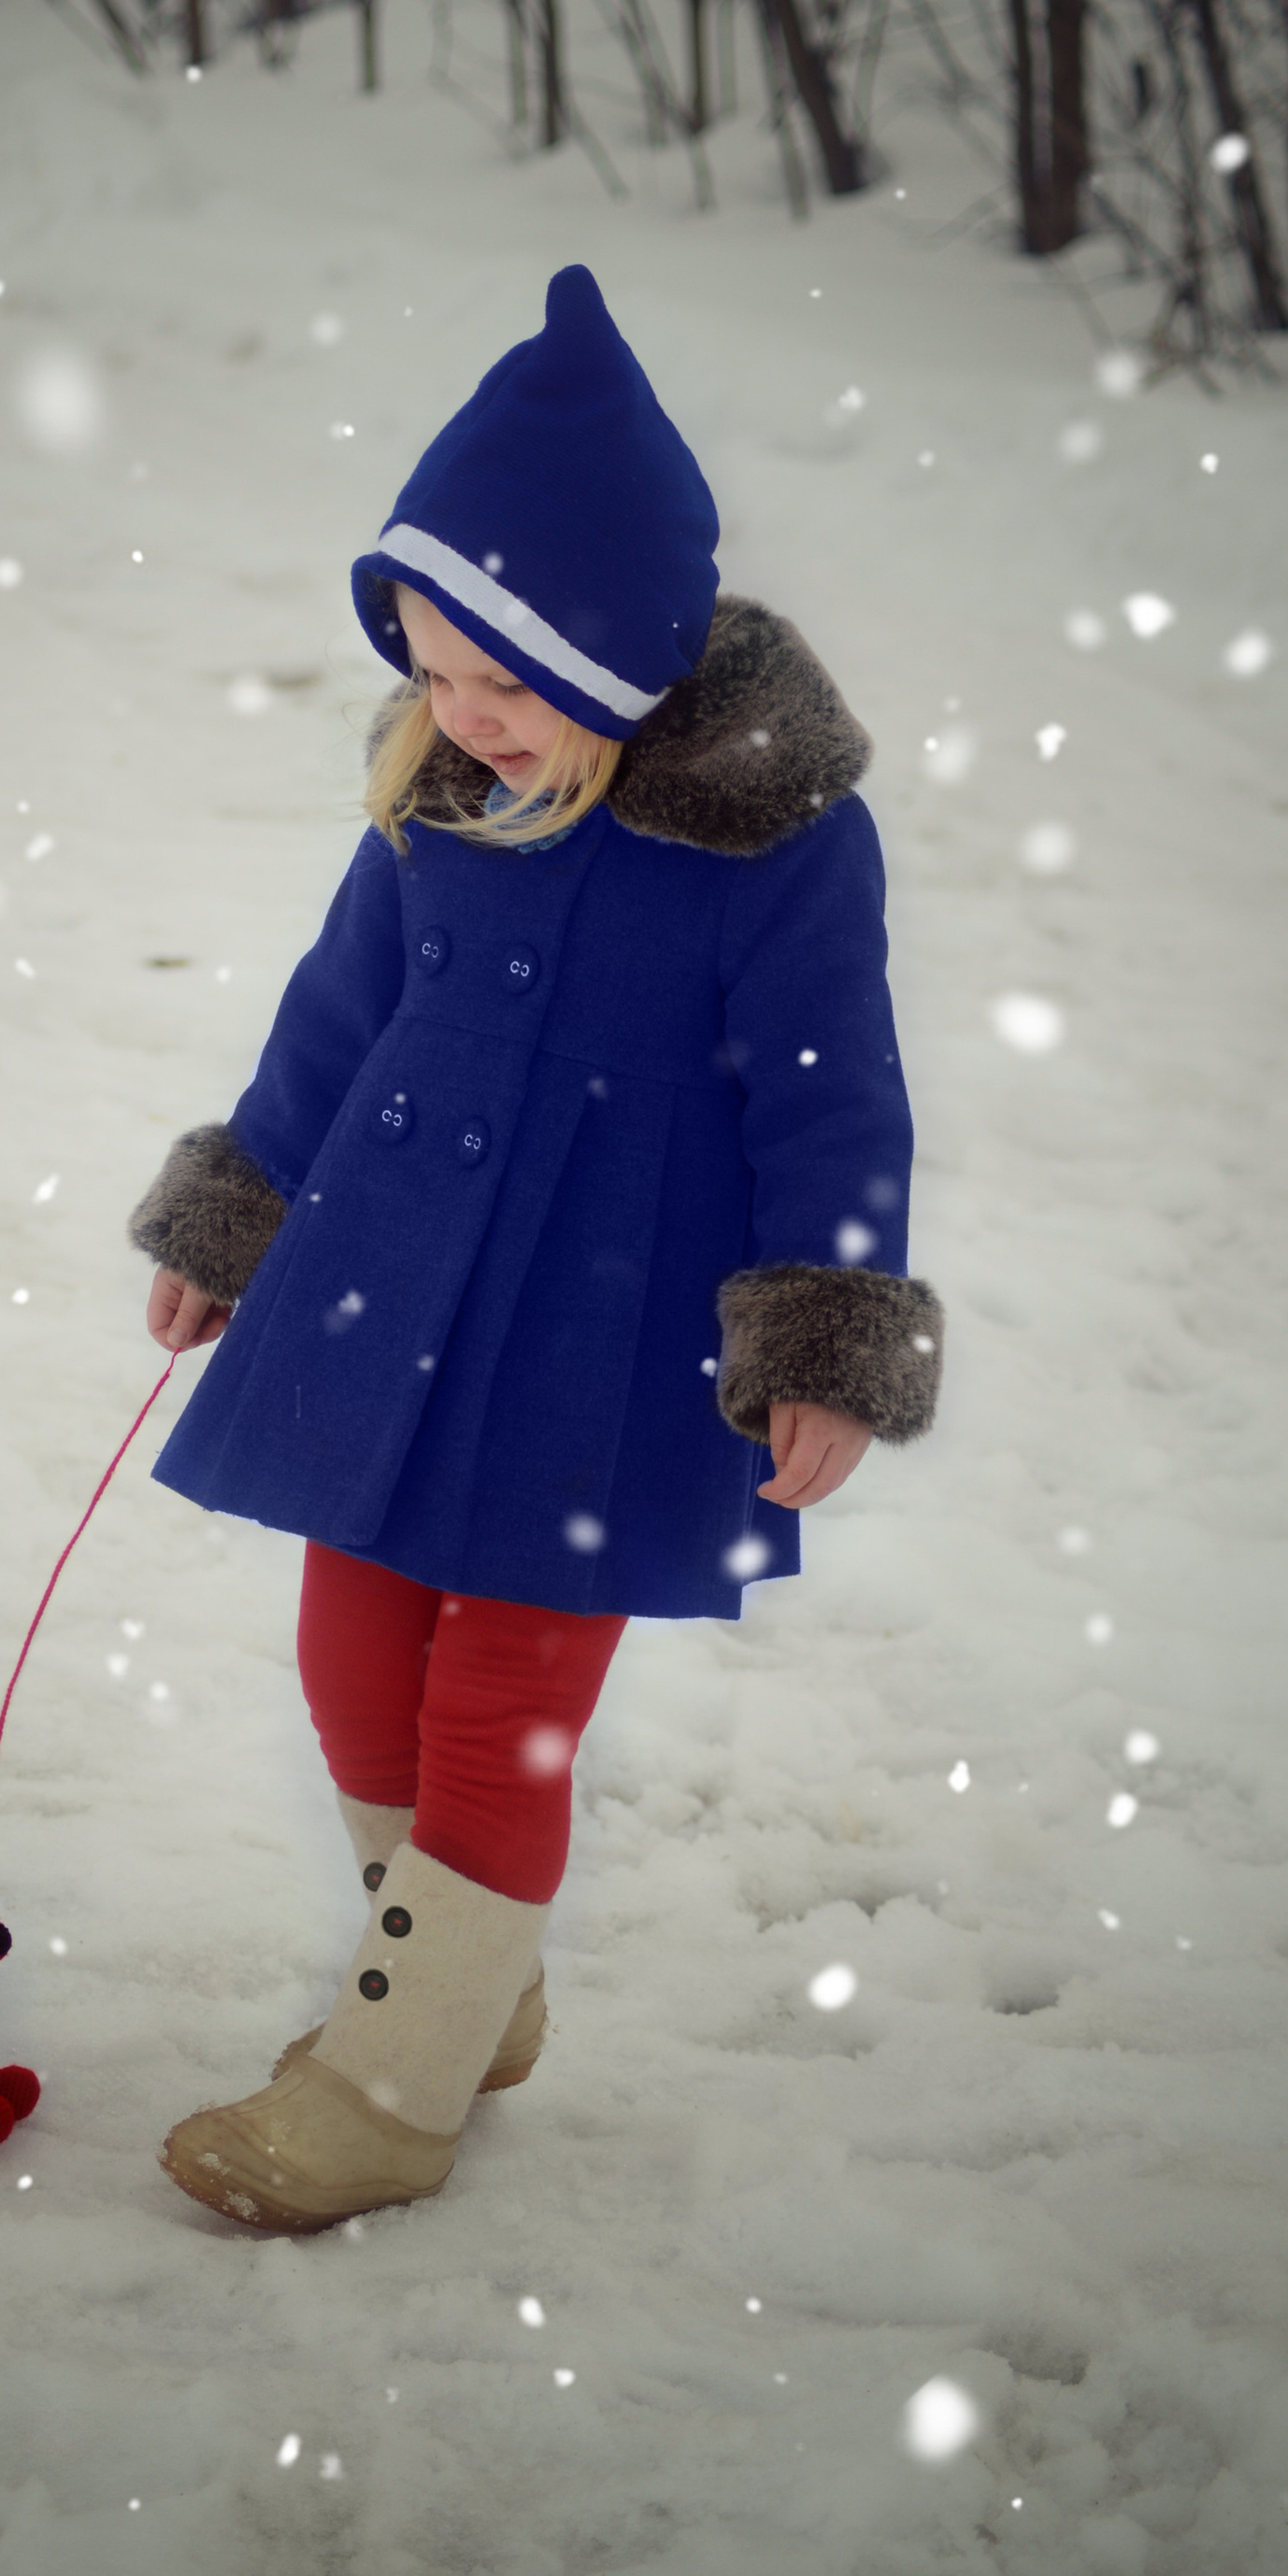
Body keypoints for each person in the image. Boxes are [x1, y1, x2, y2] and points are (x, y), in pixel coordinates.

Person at [128, 264, 943, 2235]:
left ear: (623, 652)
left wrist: (824, 1339)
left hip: (603, 1325)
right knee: (351, 1662)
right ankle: (465, 1980)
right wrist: (240, 1206)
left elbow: (830, 1090)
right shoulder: (437, 794)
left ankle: (393, 2089)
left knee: (500, 1701)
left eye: (497, 679)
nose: (456, 712)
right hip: (383, 1282)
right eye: (425, 667)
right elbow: (339, 1020)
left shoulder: (767, 838)